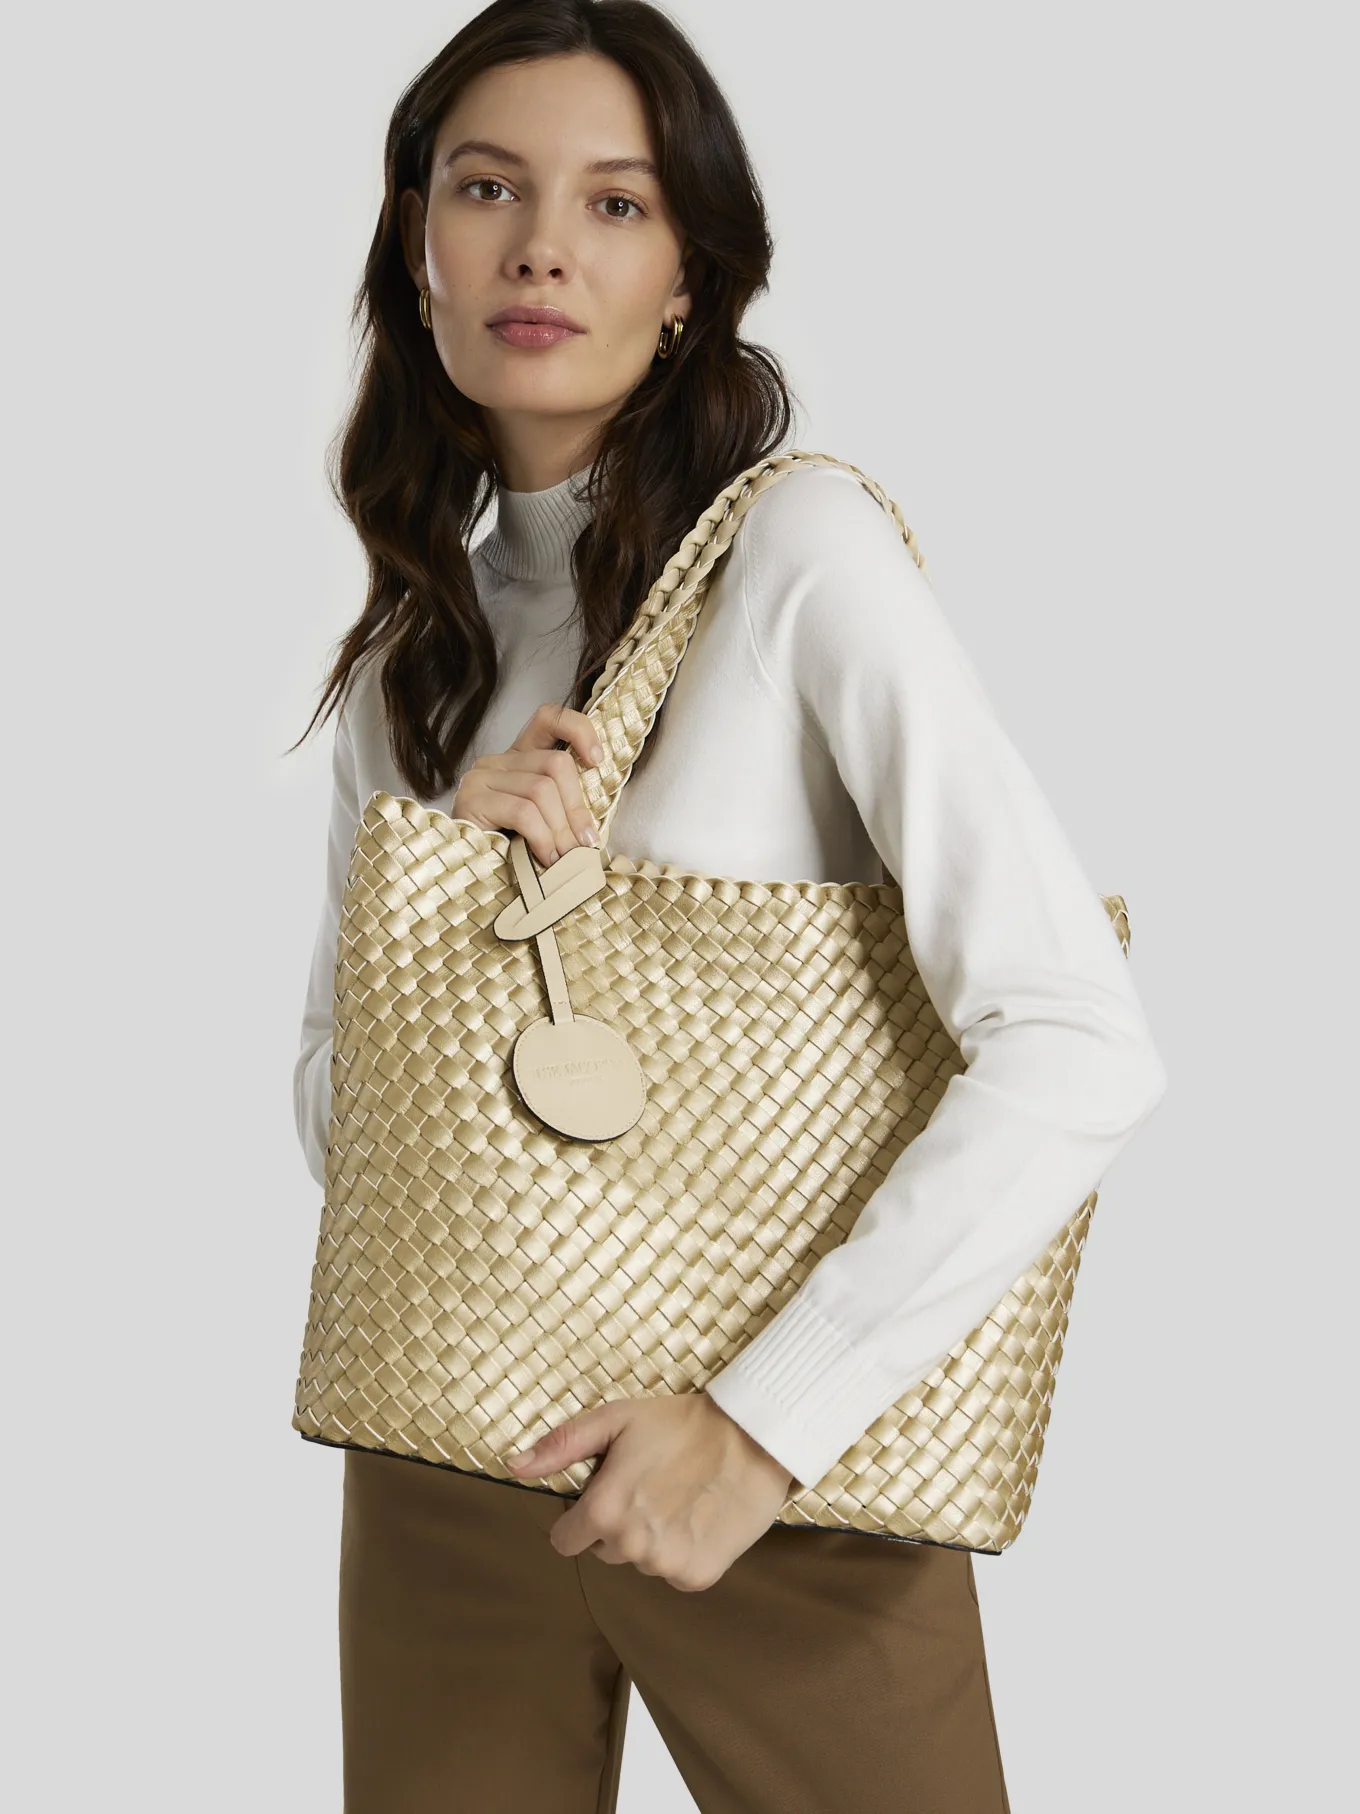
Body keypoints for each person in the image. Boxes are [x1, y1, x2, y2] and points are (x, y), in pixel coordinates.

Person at [288, 4, 1168, 1809]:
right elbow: (342, 1131)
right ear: (416, 243)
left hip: (784, 1496)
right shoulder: (411, 663)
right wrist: (448, 902)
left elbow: (1078, 1036)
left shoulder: (795, 556)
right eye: (487, 188)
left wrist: (764, 1427)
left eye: (616, 204)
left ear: (689, 278)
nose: (542, 246)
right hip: (448, 1465)